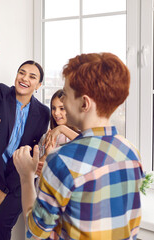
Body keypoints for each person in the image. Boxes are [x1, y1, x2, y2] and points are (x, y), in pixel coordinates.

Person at [13, 52, 144, 239]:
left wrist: (26, 176)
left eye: (65, 95)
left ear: (84, 103)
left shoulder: (62, 160)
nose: (63, 101)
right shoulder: (131, 152)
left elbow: (36, 232)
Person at [0, 33, 50, 239]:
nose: (25, 78)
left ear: (39, 85)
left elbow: (32, 153)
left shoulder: (42, 113)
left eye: (32, 77)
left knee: (0, 226)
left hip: (18, 179)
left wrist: (5, 190)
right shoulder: (3, 94)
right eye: (22, 73)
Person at [36, 89, 79, 175]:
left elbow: (88, 144)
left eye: (62, 108)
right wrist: (46, 155)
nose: (56, 113)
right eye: (53, 108)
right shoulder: (46, 137)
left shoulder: (80, 136)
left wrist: (62, 129)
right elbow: (36, 171)